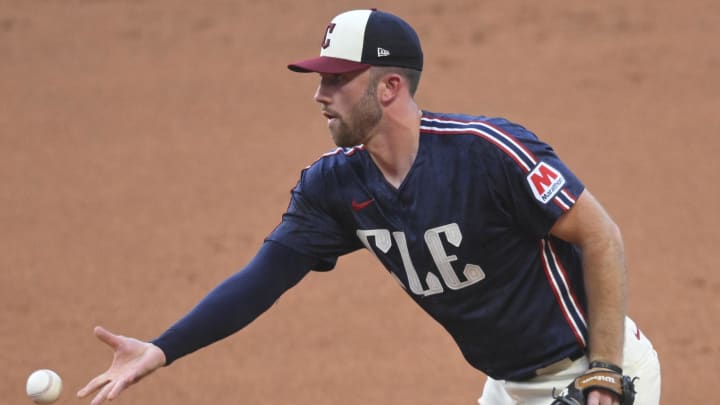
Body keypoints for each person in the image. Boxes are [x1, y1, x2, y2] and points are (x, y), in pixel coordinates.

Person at [77, 9, 661, 405]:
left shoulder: (487, 152)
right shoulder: (334, 186)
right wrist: (161, 348)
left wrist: (604, 374)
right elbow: (262, 280)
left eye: (337, 80)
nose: (319, 95)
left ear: (389, 87)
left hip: (594, 370)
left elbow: (601, 236)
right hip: (507, 386)